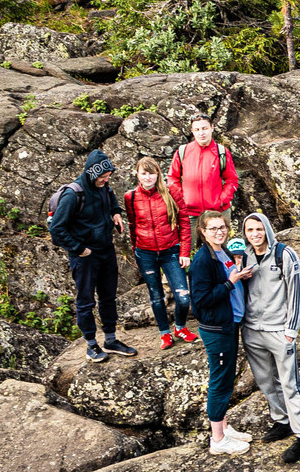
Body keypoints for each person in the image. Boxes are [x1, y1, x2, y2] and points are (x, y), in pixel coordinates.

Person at [239, 212, 300, 464]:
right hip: (252, 330)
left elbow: (296, 293)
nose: (255, 234)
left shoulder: (284, 254)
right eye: (250, 230)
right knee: (265, 382)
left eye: (259, 229)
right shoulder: (244, 257)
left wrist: (291, 330)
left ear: (267, 229)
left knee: (290, 383)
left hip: (279, 330)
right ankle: (281, 421)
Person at [50, 150, 134, 363]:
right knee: (86, 301)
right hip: (84, 256)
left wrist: (115, 212)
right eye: (102, 177)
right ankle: (90, 344)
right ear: (90, 173)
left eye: (108, 177)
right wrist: (79, 249)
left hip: (106, 250)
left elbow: (111, 197)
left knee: (108, 297)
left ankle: (111, 340)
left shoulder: (104, 186)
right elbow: (57, 229)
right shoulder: (73, 195)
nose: (105, 181)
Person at [185, 210, 254, 455]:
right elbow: (200, 301)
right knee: (220, 382)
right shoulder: (202, 260)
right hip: (216, 329)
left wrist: (240, 277)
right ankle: (217, 440)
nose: (219, 232)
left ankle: (224, 427)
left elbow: (230, 279)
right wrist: (231, 282)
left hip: (229, 323)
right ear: (203, 232)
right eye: (213, 228)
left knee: (226, 378)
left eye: (222, 227)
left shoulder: (222, 252)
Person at [128, 156, 196, 349]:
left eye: (151, 173)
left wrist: (185, 251)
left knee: (183, 297)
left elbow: (184, 222)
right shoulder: (131, 197)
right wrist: (136, 253)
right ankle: (164, 333)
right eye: (144, 173)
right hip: (145, 253)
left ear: (158, 173)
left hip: (171, 251)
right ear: (137, 175)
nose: (148, 177)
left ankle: (180, 327)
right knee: (156, 296)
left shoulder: (172, 191)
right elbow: (133, 226)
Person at [166, 117, 241, 259]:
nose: (201, 133)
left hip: (217, 212)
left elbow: (232, 179)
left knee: (220, 251)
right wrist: (181, 199)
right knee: (186, 252)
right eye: (197, 129)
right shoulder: (183, 152)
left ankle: (223, 280)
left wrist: (221, 200)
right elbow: (172, 178)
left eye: (205, 128)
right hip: (190, 213)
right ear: (192, 131)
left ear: (212, 128)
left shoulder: (221, 152)